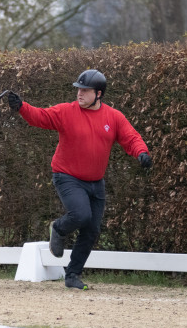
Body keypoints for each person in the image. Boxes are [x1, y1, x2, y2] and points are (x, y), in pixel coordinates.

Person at [8, 69, 152, 290]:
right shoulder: (67, 112)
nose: (80, 93)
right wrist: (21, 107)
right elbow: (41, 117)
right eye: (78, 89)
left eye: (85, 90)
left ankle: (72, 275)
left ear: (99, 94)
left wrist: (141, 153)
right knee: (81, 214)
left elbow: (131, 137)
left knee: (91, 230)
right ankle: (58, 228)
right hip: (67, 176)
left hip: (96, 182)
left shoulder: (113, 117)